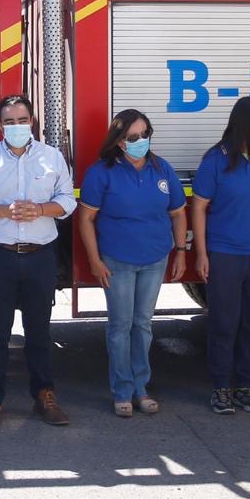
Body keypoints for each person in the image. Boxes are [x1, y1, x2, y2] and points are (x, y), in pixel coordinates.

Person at [0, 95, 77, 429]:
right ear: (0, 126)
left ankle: (45, 395)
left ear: (32, 122)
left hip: (39, 257)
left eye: (22, 120)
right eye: (9, 122)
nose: (16, 126)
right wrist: (5, 211)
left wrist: (41, 210)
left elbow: (67, 202)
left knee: (39, 332)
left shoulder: (52, 158)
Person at [77, 109, 186, 417]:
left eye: (145, 134)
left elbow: (178, 212)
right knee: (120, 326)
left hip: (155, 259)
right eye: (133, 137)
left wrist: (180, 251)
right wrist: (95, 260)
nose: (141, 141)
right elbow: (86, 218)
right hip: (117, 261)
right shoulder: (102, 172)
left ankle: (141, 388)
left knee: (143, 325)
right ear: (120, 142)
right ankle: (122, 391)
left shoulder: (162, 168)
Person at [191, 96, 250, 415]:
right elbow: (200, 207)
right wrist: (202, 253)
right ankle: (221, 388)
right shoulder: (216, 159)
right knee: (224, 322)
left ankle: (245, 386)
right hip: (225, 254)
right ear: (246, 121)